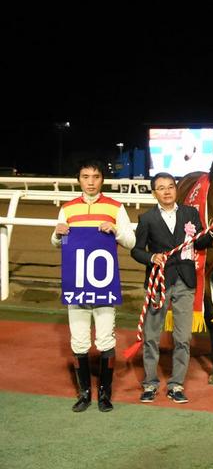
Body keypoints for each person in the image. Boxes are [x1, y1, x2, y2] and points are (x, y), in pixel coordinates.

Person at [51, 160, 135, 413]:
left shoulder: (115, 207)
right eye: (85, 176)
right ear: (79, 179)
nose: (90, 182)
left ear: (102, 179)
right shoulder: (67, 208)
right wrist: (57, 233)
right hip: (77, 285)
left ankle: (105, 394)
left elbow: (130, 241)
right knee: (79, 341)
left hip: (103, 286)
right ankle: (85, 393)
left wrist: (116, 230)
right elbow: (57, 241)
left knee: (105, 339)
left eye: (95, 176)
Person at [131, 172, 213, 404]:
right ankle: (150, 383)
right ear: (154, 193)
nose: (166, 191)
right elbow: (136, 250)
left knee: (183, 337)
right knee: (151, 336)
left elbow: (199, 242)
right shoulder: (147, 219)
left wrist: (212, 234)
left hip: (185, 281)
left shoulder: (190, 213)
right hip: (158, 283)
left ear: (176, 190)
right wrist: (151, 257)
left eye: (170, 187)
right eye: (161, 188)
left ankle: (176, 384)